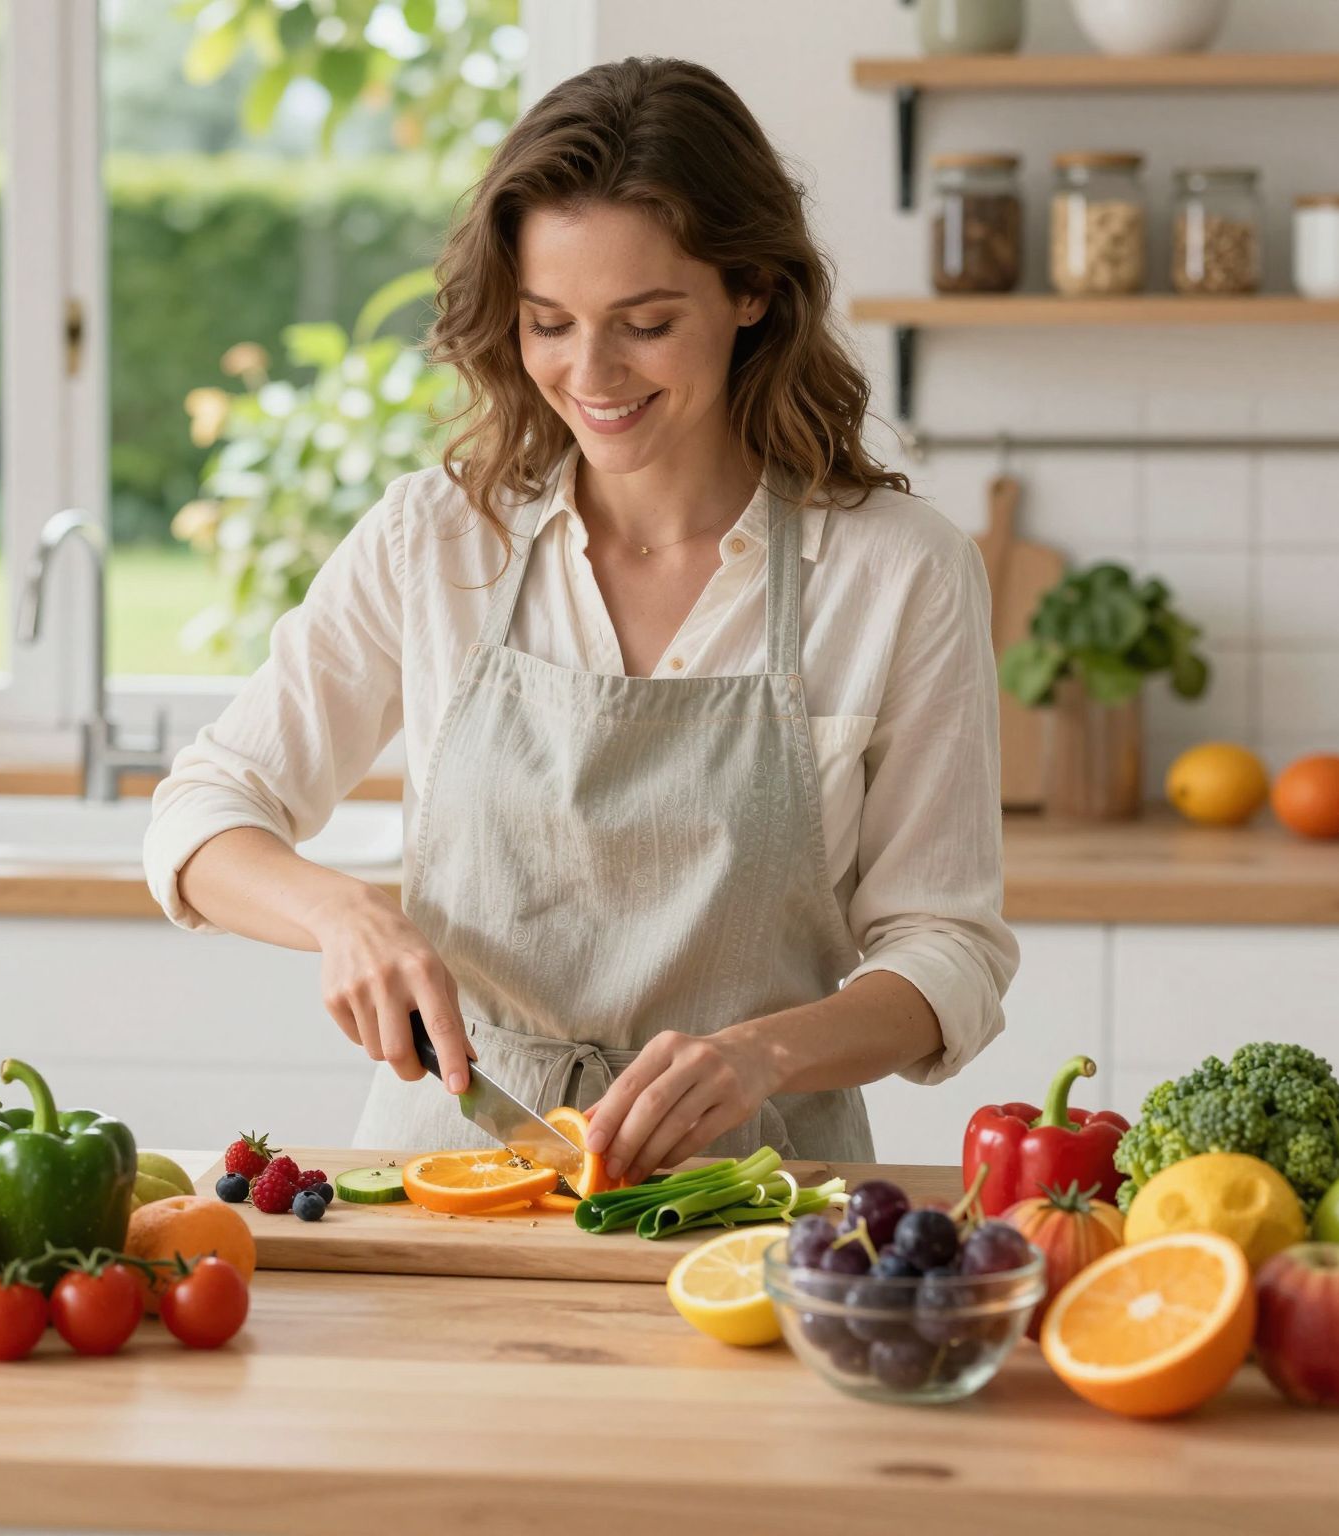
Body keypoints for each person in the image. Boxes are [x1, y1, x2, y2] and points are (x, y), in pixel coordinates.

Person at [144, 56, 1017, 1183]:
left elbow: (947, 947)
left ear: (751, 291)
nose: (588, 374)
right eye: (546, 322)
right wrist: (340, 915)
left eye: (644, 323)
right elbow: (199, 813)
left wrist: (758, 1056)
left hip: (750, 1202)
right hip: (451, 1186)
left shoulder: (900, 573)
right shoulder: (437, 540)